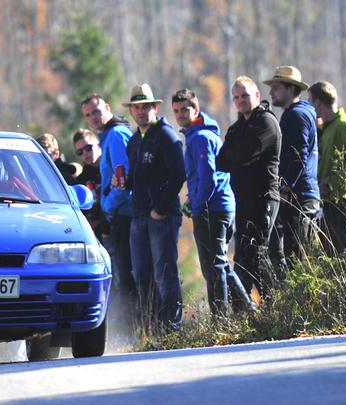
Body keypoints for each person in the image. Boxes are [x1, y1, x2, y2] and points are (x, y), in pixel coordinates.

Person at [172, 88, 253, 317]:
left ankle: (222, 320)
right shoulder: (198, 134)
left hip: (213, 208)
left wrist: (198, 205)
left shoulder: (200, 137)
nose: (180, 115)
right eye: (176, 111)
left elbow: (208, 177)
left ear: (196, 109)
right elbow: (202, 177)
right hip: (219, 205)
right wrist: (192, 197)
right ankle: (248, 310)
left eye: (185, 109)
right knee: (221, 264)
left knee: (213, 267)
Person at [119, 83, 186, 331]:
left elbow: (179, 174)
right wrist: (124, 182)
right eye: (136, 107)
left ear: (155, 107)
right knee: (142, 275)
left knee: (164, 273)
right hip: (138, 216)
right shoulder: (135, 140)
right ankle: (150, 329)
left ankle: (170, 327)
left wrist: (160, 208)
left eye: (145, 106)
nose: (140, 111)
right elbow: (138, 175)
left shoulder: (166, 135)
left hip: (162, 216)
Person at [217, 76, 281, 301]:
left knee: (257, 251)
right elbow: (222, 161)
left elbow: (244, 154)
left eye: (245, 95)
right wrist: (240, 156)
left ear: (257, 96)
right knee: (242, 255)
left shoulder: (266, 122)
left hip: (264, 197)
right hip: (242, 199)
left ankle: (276, 307)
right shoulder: (237, 128)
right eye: (236, 97)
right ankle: (241, 311)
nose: (240, 100)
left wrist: (240, 154)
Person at [80, 94, 137, 313]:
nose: (93, 117)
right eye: (88, 115)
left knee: (126, 275)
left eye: (96, 111)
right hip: (120, 213)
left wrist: (108, 208)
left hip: (124, 214)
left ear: (107, 107)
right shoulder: (108, 135)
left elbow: (124, 177)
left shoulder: (115, 135)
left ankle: (135, 328)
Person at [263, 66, 320, 273]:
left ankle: (306, 305)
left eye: (276, 87)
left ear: (290, 89)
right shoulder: (298, 113)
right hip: (299, 194)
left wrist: (286, 188)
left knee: (297, 259)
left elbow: (299, 157)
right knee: (292, 255)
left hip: (299, 197)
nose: (271, 92)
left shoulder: (296, 116)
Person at [308, 80, 346, 255]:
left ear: (318, 103)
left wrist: (330, 184)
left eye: (310, 101)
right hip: (330, 202)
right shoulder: (327, 128)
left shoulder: (343, 124)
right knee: (334, 257)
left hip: (345, 201)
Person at [72, 128, 106, 241]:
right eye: (80, 152)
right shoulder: (82, 179)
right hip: (96, 233)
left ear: (99, 145)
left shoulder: (110, 167)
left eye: (88, 148)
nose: (85, 154)